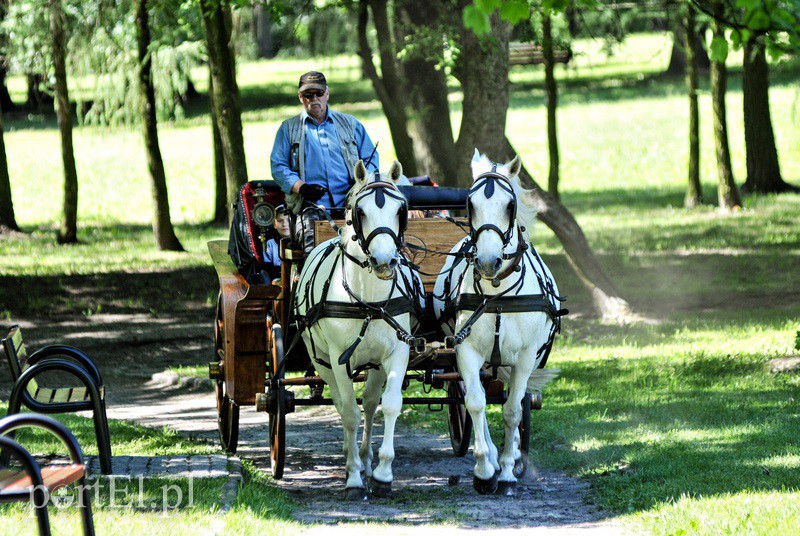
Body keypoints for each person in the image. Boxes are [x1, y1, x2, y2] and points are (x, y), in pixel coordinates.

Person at [270, 71, 380, 250]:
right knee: (312, 250)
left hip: (352, 203)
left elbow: (371, 158)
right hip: (309, 207)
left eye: (319, 94)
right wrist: (301, 187)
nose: (314, 99)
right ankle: (304, 276)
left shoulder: (350, 124)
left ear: (327, 94)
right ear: (300, 97)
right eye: (308, 95)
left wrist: (361, 181)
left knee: (371, 246)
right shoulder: (288, 128)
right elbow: (278, 166)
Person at [262, 205, 292, 283]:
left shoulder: (299, 241)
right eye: (280, 221)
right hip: (275, 279)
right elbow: (267, 268)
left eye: (288, 220)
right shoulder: (270, 244)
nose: (285, 224)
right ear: (274, 224)